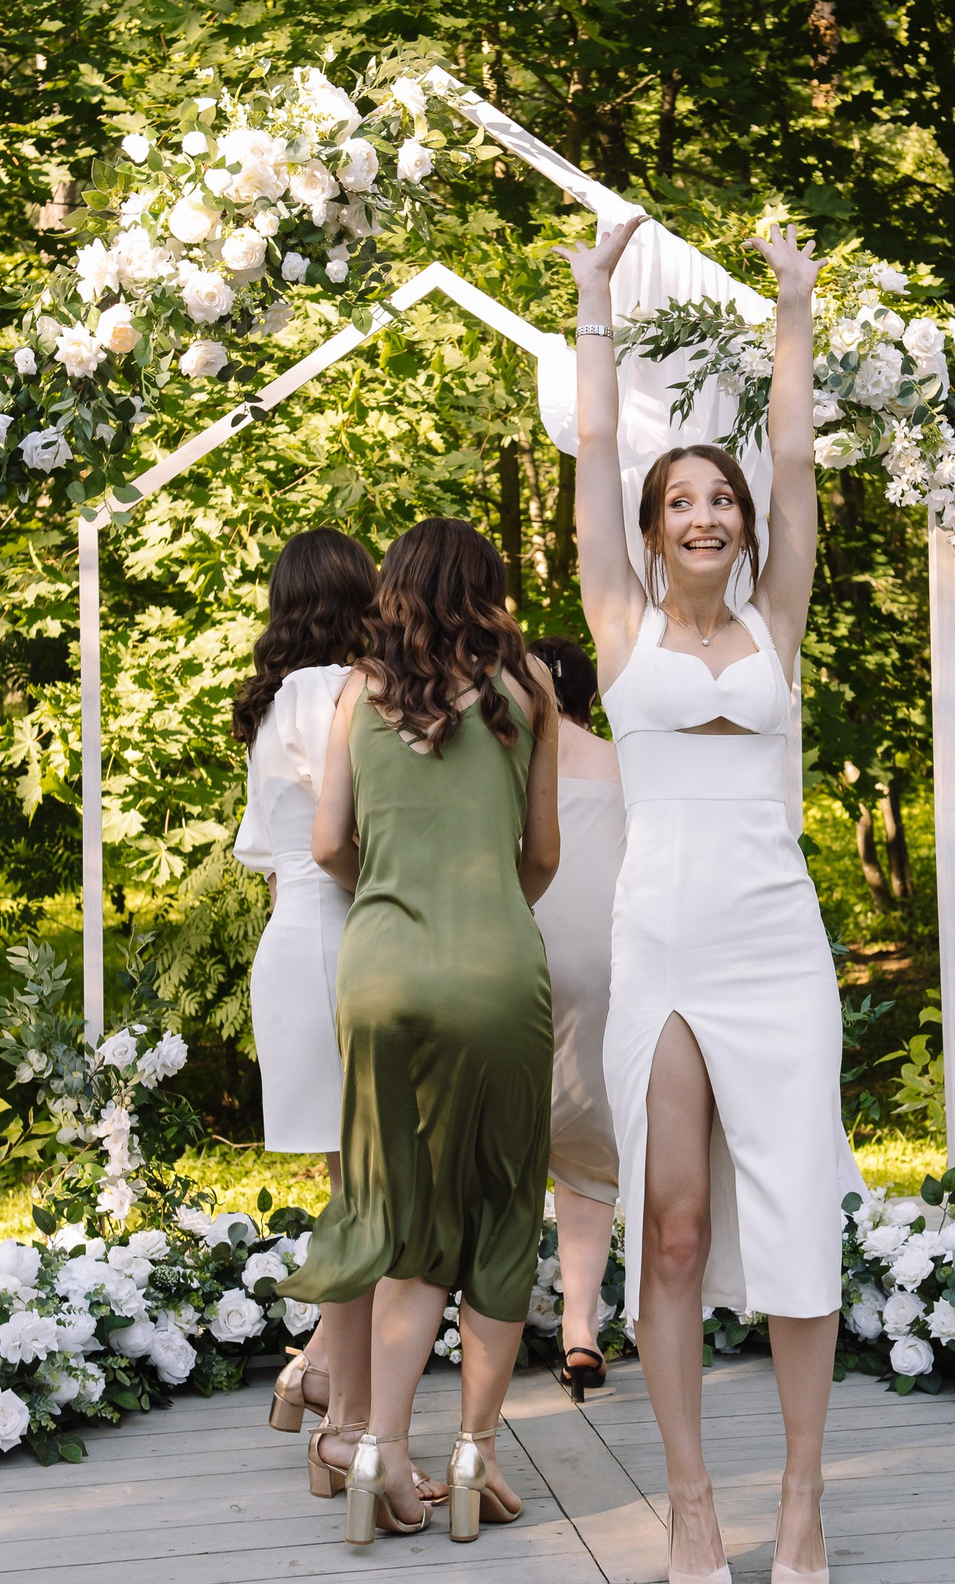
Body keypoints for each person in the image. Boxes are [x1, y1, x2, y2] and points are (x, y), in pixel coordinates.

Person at [562, 215, 854, 1584]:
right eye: (680, 499)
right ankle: (691, 1500)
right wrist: (593, 304)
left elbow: (795, 455)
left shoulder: (775, 616)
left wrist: (794, 303)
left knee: (796, 1206)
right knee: (670, 1219)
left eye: (718, 499)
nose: (706, 513)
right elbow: (590, 449)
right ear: (649, 524)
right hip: (661, 937)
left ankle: (800, 1501)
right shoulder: (617, 621)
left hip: (774, 932)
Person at [277, 517, 563, 1547]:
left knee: (398, 1209)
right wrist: (483, 898)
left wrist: (391, 896)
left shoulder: (356, 689)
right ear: (491, 588)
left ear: (392, 586)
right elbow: (541, 857)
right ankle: (475, 1454)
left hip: (378, 974)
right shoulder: (527, 689)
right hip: (494, 971)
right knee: (496, 1208)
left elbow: (325, 844)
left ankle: (377, 1451)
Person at [231, 527, 377, 1437]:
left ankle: (317, 1370)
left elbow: (273, 858)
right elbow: (345, 833)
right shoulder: (333, 690)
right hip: (342, 932)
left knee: (347, 1177)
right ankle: (342, 1413)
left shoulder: (273, 699)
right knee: (365, 1182)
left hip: (292, 938)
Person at [527, 633, 628, 1400]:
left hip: (517, 951)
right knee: (591, 1157)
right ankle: (581, 1328)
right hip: (602, 965)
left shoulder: (504, 760)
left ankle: (463, 1321)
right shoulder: (623, 760)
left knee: (502, 1150)